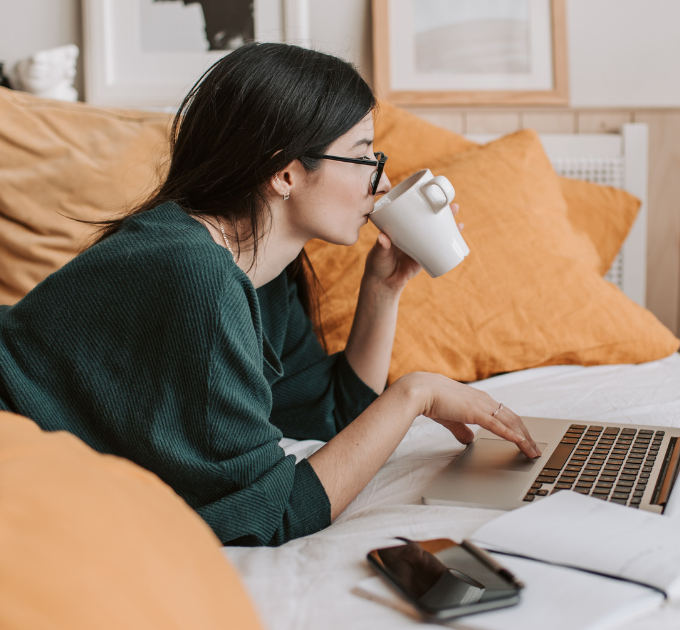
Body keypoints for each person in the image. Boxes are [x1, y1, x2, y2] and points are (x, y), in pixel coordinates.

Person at [0, 43, 539, 546]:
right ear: (284, 173)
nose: (379, 182)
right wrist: (414, 395)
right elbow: (270, 513)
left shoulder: (260, 269)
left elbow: (327, 418)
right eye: (363, 157)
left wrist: (383, 287)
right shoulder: (197, 278)